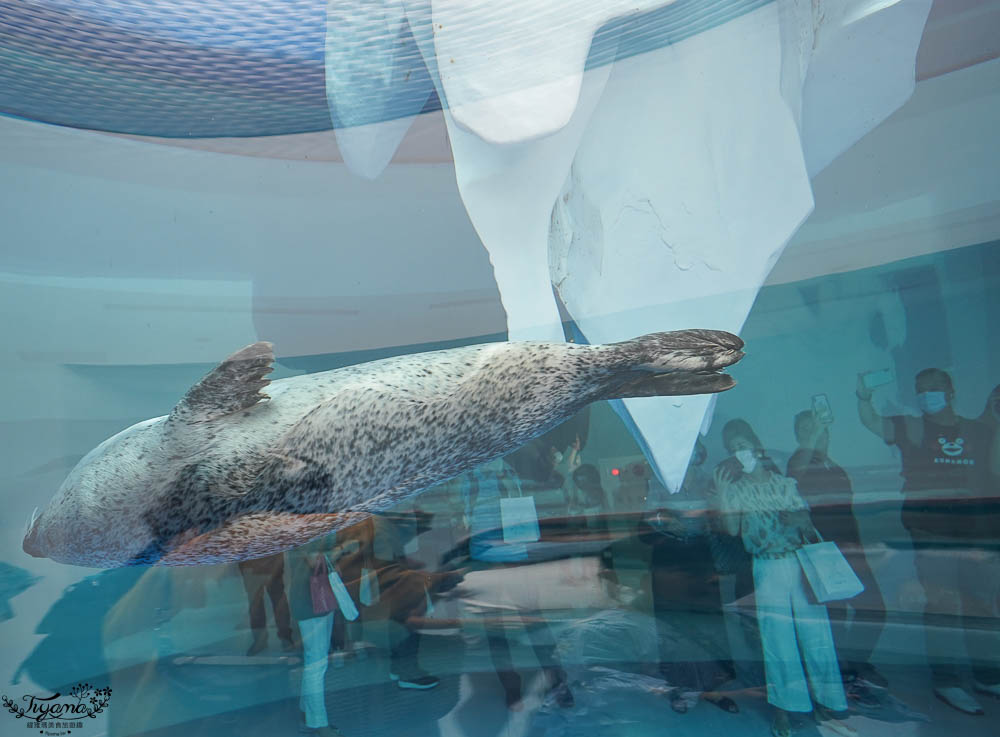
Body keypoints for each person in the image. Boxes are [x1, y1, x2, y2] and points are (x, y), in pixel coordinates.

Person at [857, 368, 1000, 714]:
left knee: (981, 604)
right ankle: (947, 681)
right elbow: (873, 422)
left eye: (933, 389)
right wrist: (863, 396)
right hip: (932, 536)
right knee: (943, 607)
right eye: (921, 390)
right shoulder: (912, 427)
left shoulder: (978, 430)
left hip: (977, 536)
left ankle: (987, 675)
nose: (927, 396)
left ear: (950, 391)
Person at [716, 419, 854, 737]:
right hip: (765, 566)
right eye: (733, 447)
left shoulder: (786, 483)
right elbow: (731, 530)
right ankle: (785, 708)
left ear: (756, 444)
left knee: (816, 635)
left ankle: (827, 699)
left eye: (743, 443)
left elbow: (807, 526)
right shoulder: (736, 490)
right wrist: (723, 495)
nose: (741, 451)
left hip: (799, 563)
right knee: (777, 641)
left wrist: (800, 518)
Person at [460, 457, 572, 710]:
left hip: (509, 552)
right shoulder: (476, 472)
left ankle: (550, 680)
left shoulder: (505, 466)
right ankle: (523, 685)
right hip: (492, 555)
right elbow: (463, 509)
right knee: (504, 626)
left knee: (528, 621)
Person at [786, 410, 887, 687]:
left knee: (874, 608)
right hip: (824, 550)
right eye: (805, 428)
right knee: (836, 612)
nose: (813, 432)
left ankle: (853, 665)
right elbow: (795, 475)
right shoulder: (799, 459)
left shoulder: (834, 465)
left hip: (850, 547)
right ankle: (841, 673)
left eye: (817, 428)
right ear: (798, 435)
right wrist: (810, 440)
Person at [288, 533, 348, 737]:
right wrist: (344, 548)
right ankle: (317, 724)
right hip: (313, 600)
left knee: (313, 660)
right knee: (317, 663)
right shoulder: (310, 527)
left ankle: (308, 714)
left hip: (312, 598)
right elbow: (314, 559)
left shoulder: (301, 525)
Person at [237, 553, 296, 656]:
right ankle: (279, 639)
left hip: (266, 566)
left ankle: (281, 638)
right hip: (256, 566)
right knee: (260, 605)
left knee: (275, 604)